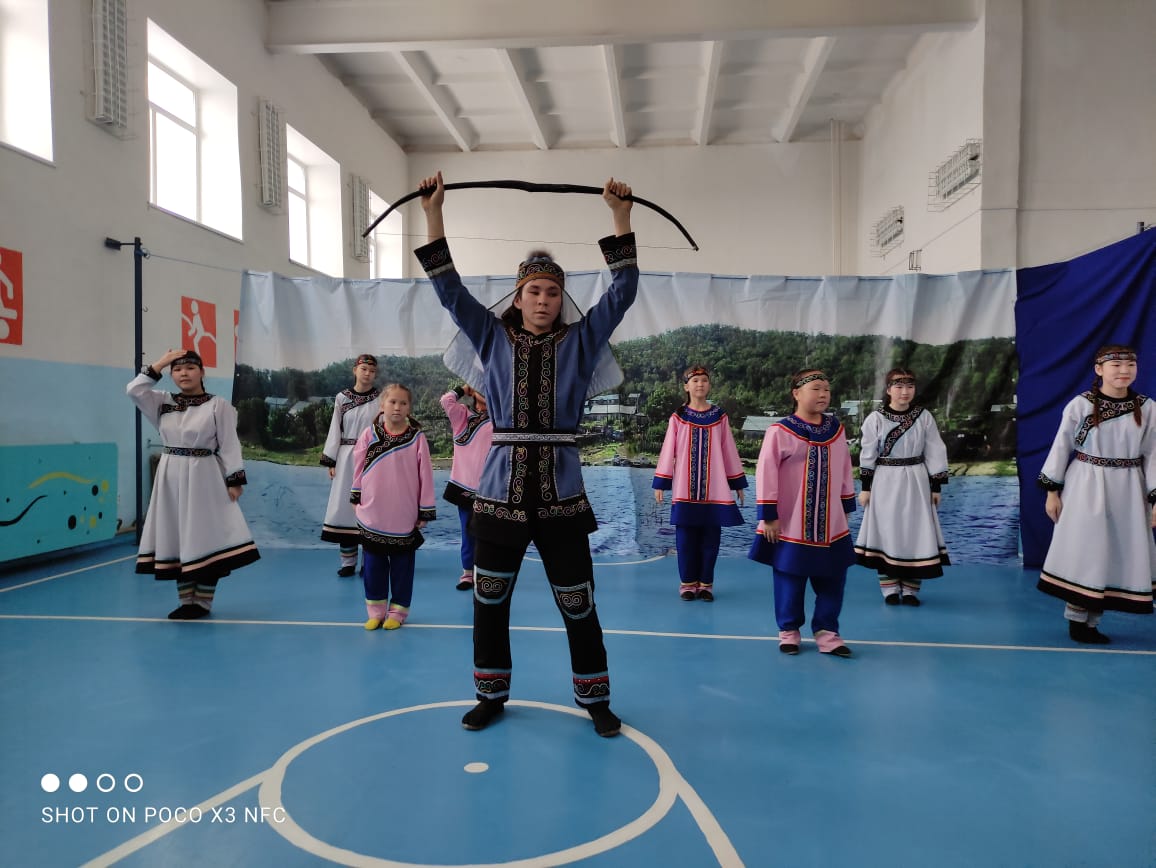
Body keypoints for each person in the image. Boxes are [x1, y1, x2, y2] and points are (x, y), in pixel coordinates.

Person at [415, 170, 637, 736]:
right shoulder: (492, 336)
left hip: (562, 496)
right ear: (518, 297)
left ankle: (595, 698)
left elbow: (623, 291)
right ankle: (490, 694)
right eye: (534, 291)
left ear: (562, 300)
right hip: (498, 495)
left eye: (552, 292)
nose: (543, 300)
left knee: (578, 601)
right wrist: (434, 213)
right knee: (488, 600)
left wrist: (620, 217)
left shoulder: (581, 341)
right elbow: (449, 290)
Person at [126, 348, 259, 619]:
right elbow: (134, 390)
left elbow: (229, 444)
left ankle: (203, 602)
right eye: (177, 369)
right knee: (177, 535)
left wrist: (234, 479)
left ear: (202, 372)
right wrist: (161, 362)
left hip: (205, 476)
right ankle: (187, 601)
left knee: (206, 535)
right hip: (170, 477)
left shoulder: (217, 405)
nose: (183, 373)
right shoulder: (161, 401)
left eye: (190, 368)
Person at [1037, 345, 1156, 644]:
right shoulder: (1081, 405)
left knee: (1115, 550)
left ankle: (1094, 620)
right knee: (1087, 549)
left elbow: (1154, 455)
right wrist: (1052, 491)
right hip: (1086, 484)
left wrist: (1155, 498)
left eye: (1130, 364)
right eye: (1115, 365)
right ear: (1099, 369)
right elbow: (1061, 446)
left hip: (1129, 488)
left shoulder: (1148, 408)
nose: (1124, 370)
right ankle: (1078, 620)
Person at [748, 369, 856, 657]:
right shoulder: (780, 432)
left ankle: (828, 633)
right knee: (790, 577)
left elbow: (845, 469)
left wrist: (846, 506)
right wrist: (769, 515)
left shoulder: (836, 430)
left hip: (831, 522)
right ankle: (788, 632)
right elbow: (766, 473)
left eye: (827, 389)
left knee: (834, 579)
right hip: (791, 523)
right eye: (816, 388)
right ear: (796, 393)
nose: (823, 394)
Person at [854, 368, 950, 606]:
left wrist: (936, 486)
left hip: (916, 479)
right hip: (885, 480)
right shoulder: (875, 419)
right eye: (898, 386)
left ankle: (910, 590)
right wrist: (866, 487)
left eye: (909, 386)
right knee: (888, 531)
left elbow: (935, 450)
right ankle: (889, 589)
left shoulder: (923, 416)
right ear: (888, 390)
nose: (904, 392)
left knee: (915, 531)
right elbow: (868, 453)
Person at [653, 365, 747, 601]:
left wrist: (737, 483)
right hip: (684, 489)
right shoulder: (679, 416)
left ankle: (706, 585)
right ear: (686, 386)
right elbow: (668, 449)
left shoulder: (719, 416)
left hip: (715, 490)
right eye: (695, 381)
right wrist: (661, 482)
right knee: (685, 539)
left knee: (711, 539)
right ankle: (687, 584)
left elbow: (728, 449)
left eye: (704, 380)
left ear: (709, 385)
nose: (700, 384)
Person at [350, 383, 436, 631]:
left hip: (403, 514)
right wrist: (356, 496)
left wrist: (424, 510)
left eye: (403, 403)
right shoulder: (369, 435)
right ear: (382, 405)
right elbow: (358, 468)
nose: (397, 407)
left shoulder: (417, 438)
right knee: (373, 566)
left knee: (402, 568)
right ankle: (375, 612)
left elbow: (426, 475)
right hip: (373, 512)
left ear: (409, 408)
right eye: (392, 402)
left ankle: (397, 613)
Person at [320, 353, 381, 576]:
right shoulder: (342, 398)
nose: (368, 374)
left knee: (369, 507)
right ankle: (347, 563)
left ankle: (369, 563)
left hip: (371, 458)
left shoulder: (380, 399)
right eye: (364, 369)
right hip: (346, 458)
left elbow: (384, 429)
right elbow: (335, 428)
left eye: (372, 371)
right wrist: (331, 460)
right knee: (345, 508)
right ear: (355, 370)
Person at [440, 384, 494, 591]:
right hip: (463, 485)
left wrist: (490, 397)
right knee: (467, 532)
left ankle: (485, 573)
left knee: (489, 534)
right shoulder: (462, 416)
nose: (484, 390)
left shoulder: (501, 418)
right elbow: (446, 400)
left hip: (491, 488)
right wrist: (464, 388)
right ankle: (467, 574)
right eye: (479, 385)